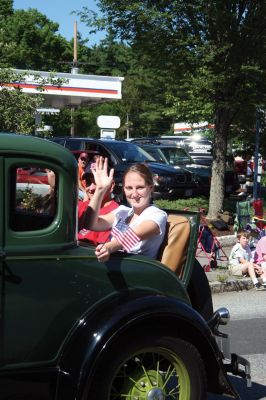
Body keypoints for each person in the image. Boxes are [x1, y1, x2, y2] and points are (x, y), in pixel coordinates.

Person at [86, 157, 167, 262]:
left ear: (151, 188)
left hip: (138, 271)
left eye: (140, 187)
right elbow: (90, 224)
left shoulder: (157, 215)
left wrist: (109, 247)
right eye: (129, 188)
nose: (134, 194)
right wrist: (100, 189)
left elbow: (134, 235)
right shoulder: (123, 212)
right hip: (114, 265)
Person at [78, 166, 119, 245]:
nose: (91, 188)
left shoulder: (115, 213)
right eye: (88, 183)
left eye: (97, 183)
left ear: (111, 185)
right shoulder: (82, 206)